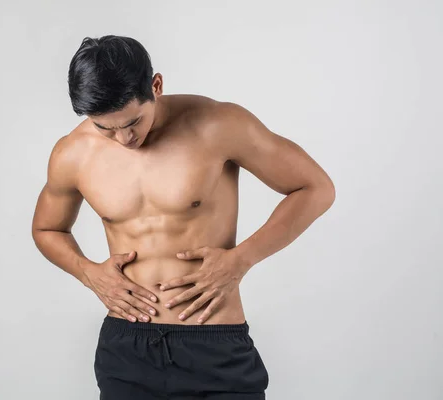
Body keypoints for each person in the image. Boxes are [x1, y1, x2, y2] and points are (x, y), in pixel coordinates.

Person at [31, 35, 335, 399]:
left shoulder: (218, 124)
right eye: (105, 128)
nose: (123, 138)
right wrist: (88, 273)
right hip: (126, 347)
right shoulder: (72, 153)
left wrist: (242, 259)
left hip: (214, 344)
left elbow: (314, 188)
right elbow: (48, 228)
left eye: (132, 122)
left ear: (156, 86)